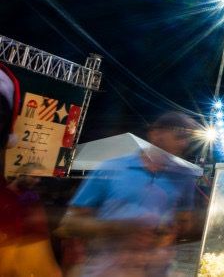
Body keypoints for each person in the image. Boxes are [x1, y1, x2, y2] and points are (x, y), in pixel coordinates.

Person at [58, 111, 201, 276]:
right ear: (156, 134)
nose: (184, 144)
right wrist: (119, 227)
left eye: (187, 139)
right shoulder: (112, 168)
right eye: (179, 136)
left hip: (156, 270)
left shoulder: (183, 176)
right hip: (109, 269)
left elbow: (184, 221)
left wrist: (172, 229)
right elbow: (70, 223)